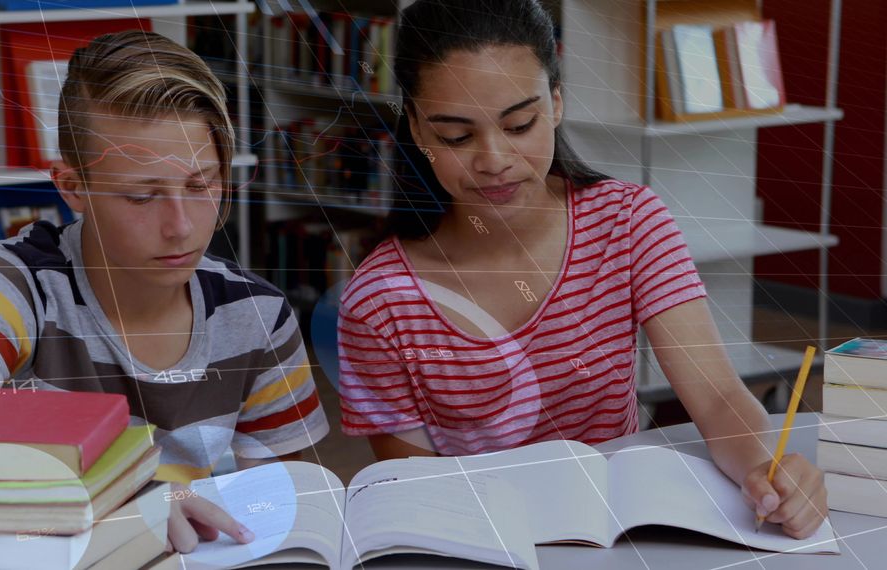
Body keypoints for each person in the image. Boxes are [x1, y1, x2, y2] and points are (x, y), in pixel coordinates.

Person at [336, 0, 826, 540]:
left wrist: (763, 469)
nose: (495, 158)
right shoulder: (380, 300)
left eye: (520, 124)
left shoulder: (628, 222)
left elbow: (716, 396)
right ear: (417, 130)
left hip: (621, 536)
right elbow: (414, 488)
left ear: (558, 102)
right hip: (484, 543)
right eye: (457, 136)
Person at [0, 30, 329, 554]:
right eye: (142, 197)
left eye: (202, 184)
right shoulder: (14, 287)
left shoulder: (258, 316)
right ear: (71, 187)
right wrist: (130, 500)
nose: (181, 227)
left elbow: (280, 505)